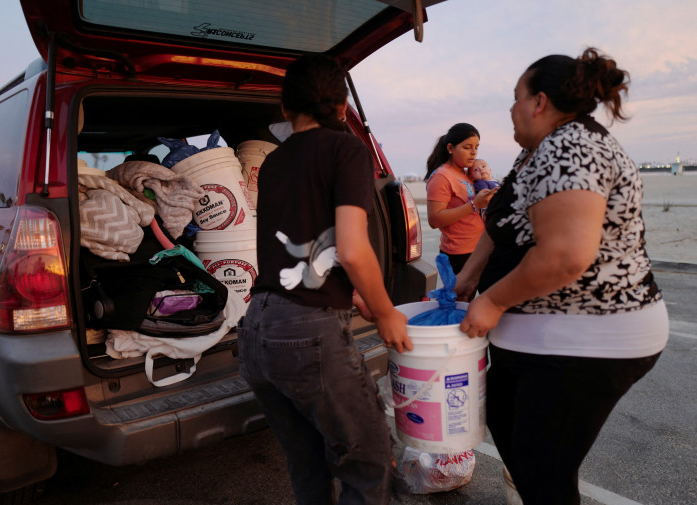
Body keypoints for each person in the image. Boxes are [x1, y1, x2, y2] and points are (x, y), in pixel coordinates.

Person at [454, 48, 669, 505]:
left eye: (516, 98)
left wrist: (492, 302)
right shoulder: (534, 152)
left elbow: (566, 255)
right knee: (510, 426)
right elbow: (508, 215)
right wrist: (473, 271)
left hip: (587, 338)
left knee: (542, 468)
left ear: (539, 101)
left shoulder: (572, 145)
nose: (510, 109)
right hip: (541, 339)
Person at [237, 53, 412, 505]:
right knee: (369, 466)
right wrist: (386, 311)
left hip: (257, 330)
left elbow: (298, 243)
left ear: (285, 107)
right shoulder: (346, 148)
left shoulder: (273, 164)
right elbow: (353, 248)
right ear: (340, 109)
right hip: (308, 335)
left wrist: (350, 296)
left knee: (307, 468)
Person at [425, 123, 496, 274]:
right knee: (461, 298)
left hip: (480, 248)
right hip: (459, 254)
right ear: (450, 148)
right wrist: (474, 204)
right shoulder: (441, 176)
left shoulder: (468, 174)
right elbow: (434, 220)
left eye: (476, 147)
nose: (473, 153)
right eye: (467, 147)